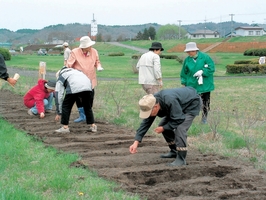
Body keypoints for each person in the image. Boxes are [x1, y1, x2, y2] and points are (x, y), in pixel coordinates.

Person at [129, 87, 201, 166]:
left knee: (180, 128)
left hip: (191, 104)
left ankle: (181, 159)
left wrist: (164, 128)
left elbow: (179, 119)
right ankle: (174, 151)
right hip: (178, 105)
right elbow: (146, 123)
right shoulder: (152, 102)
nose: (148, 115)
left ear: (156, 107)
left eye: (149, 112)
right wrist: (136, 142)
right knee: (163, 125)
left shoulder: (169, 100)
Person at [67, 36, 103, 129]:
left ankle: (88, 114)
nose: (90, 47)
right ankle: (82, 115)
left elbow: (97, 62)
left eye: (90, 45)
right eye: (88, 46)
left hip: (90, 79)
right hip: (79, 79)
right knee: (79, 98)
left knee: (90, 98)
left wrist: (98, 66)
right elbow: (69, 65)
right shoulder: (75, 52)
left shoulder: (94, 51)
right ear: (83, 47)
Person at [180, 42, 215, 124]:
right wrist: (184, 82)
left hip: (205, 84)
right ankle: (189, 118)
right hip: (192, 84)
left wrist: (203, 71)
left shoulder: (205, 57)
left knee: (205, 102)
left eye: (190, 52)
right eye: (187, 52)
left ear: (195, 50)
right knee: (191, 102)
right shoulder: (187, 60)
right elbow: (183, 73)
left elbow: (211, 68)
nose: (188, 53)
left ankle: (204, 118)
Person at [54, 67, 95, 133]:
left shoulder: (61, 77)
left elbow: (59, 95)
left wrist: (59, 112)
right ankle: (93, 126)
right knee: (87, 106)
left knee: (66, 106)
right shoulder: (78, 72)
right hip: (88, 87)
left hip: (74, 88)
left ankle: (65, 127)